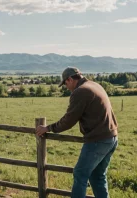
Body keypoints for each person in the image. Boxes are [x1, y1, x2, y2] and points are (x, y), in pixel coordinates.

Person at [35, 67, 118, 198]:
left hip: (98, 139)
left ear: (70, 79)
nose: (66, 87)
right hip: (111, 137)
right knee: (97, 176)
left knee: (80, 174)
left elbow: (69, 120)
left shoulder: (81, 91)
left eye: (65, 83)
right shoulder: (94, 85)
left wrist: (48, 128)